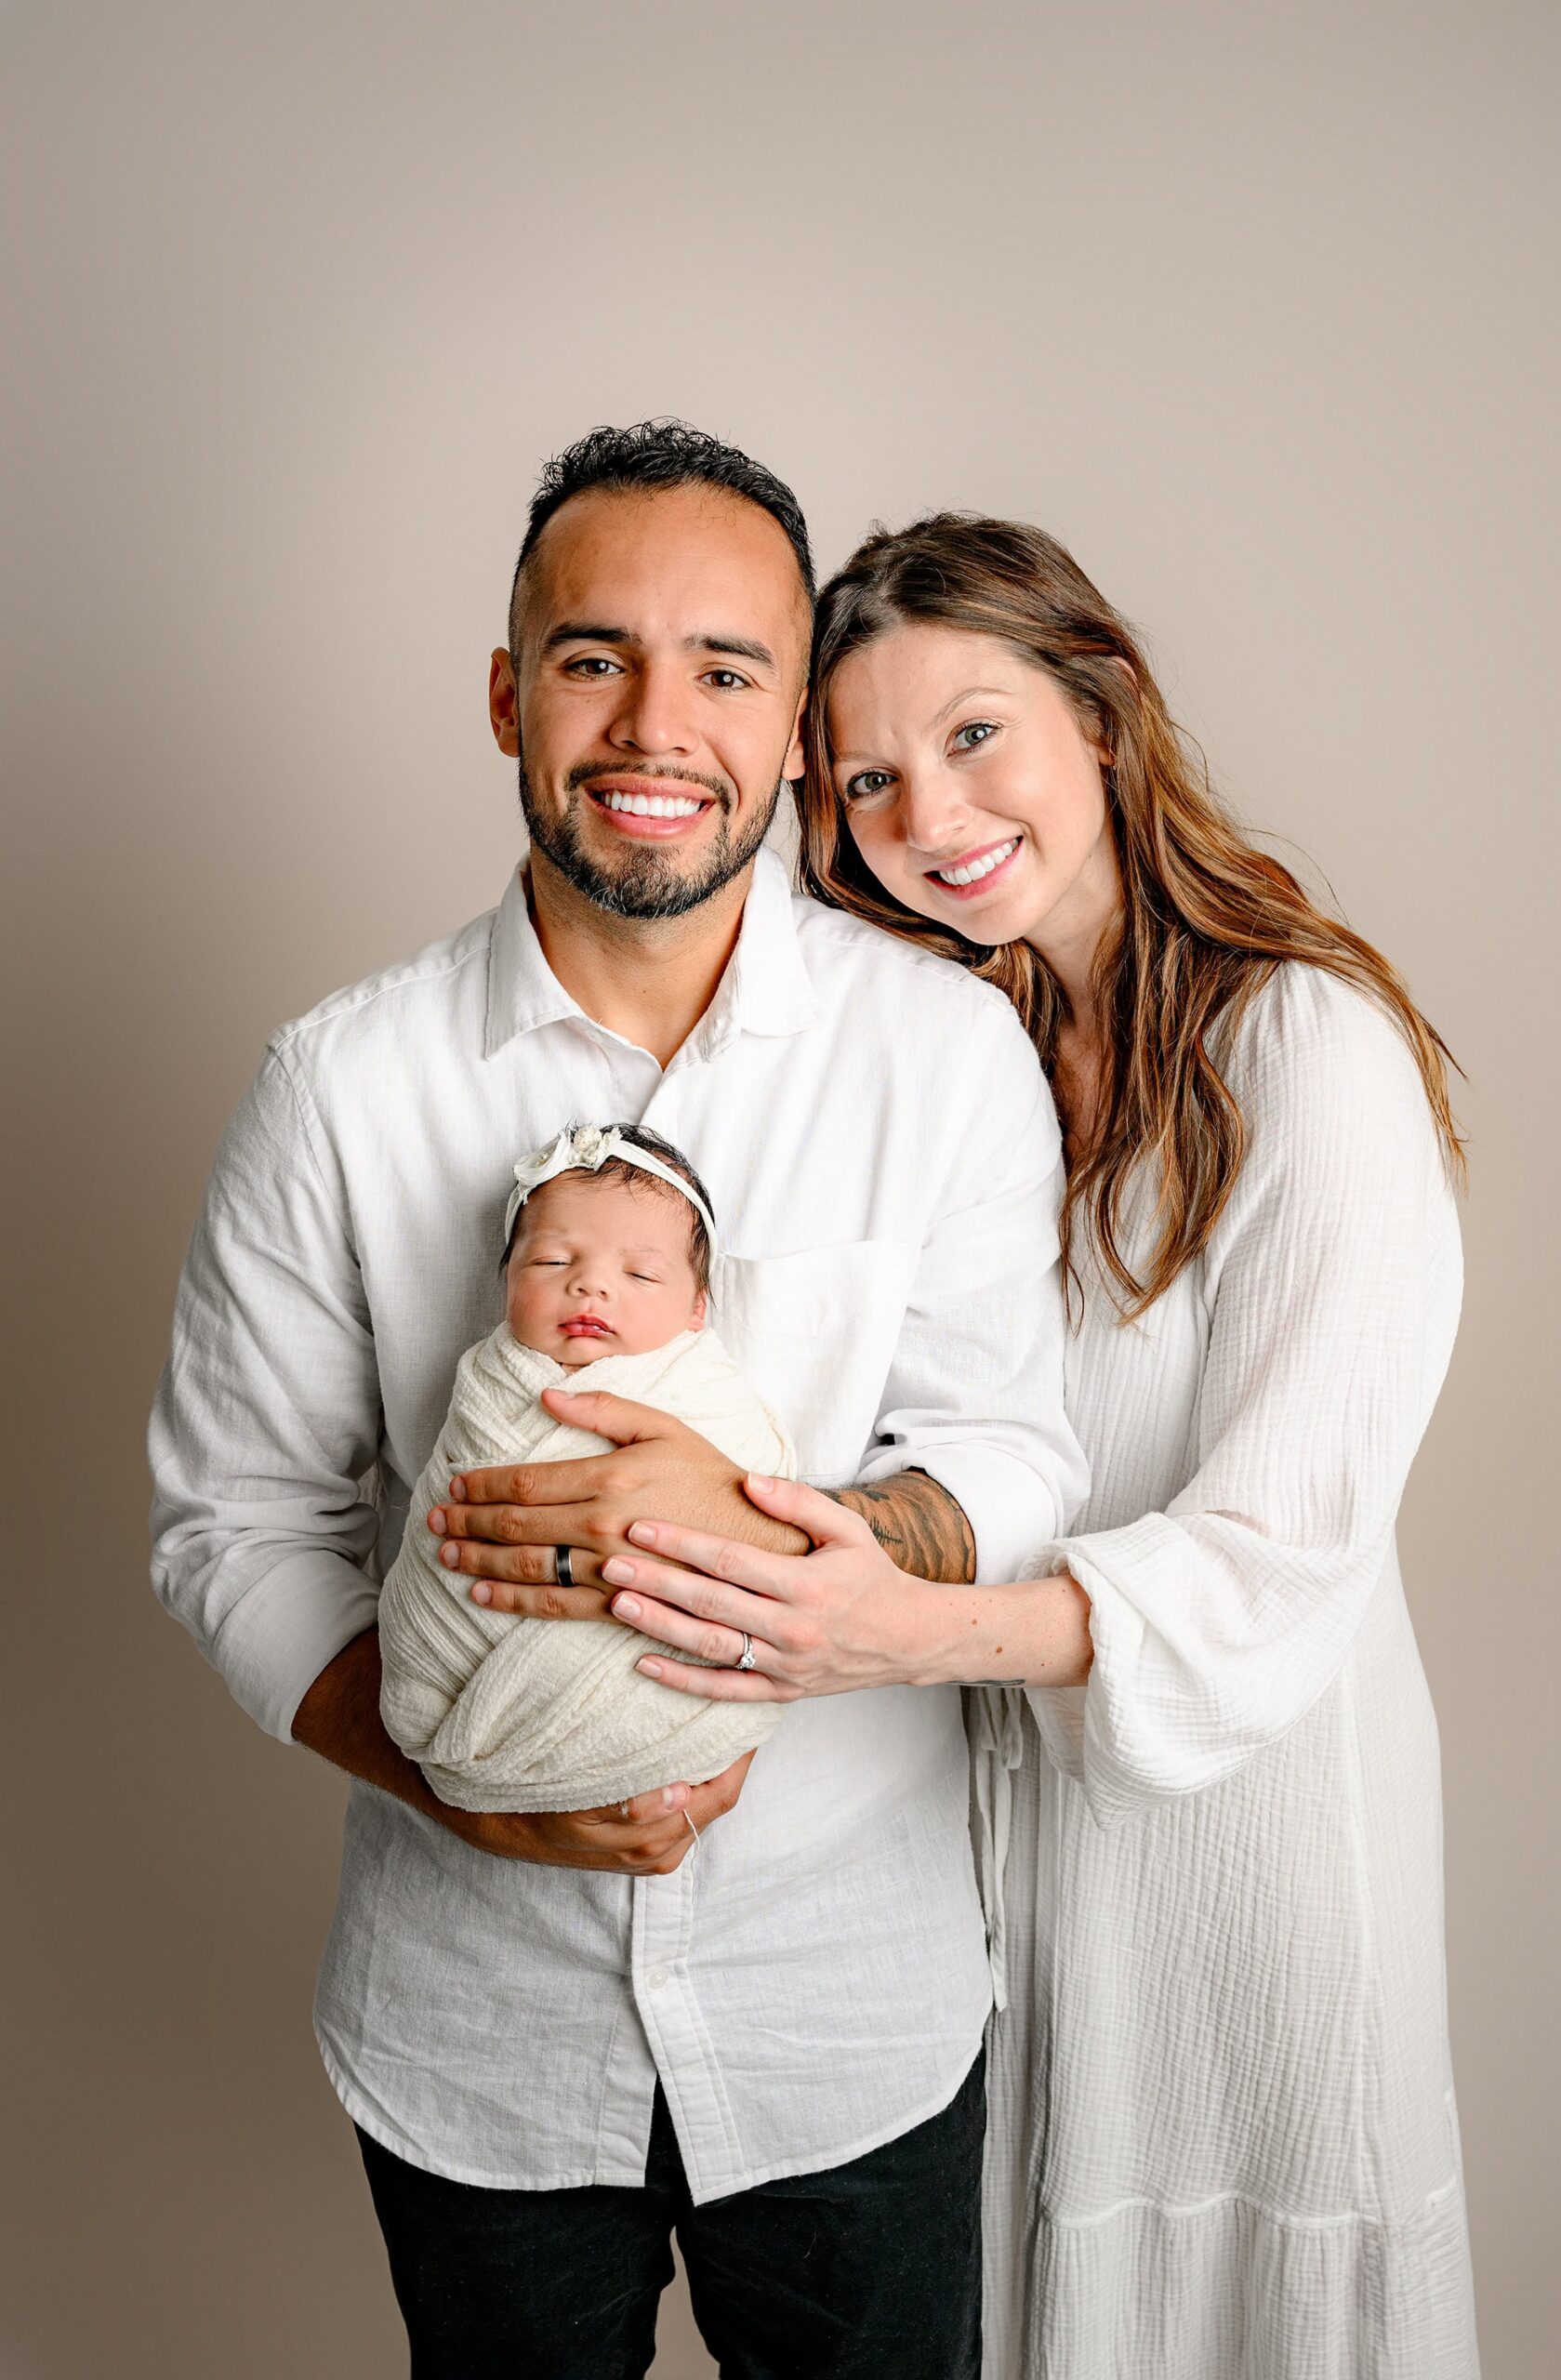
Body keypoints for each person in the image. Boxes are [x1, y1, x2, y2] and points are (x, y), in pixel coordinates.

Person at [149, 430, 1087, 2379]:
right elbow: (233, 1523)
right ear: (509, 694)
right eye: (594, 658)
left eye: (726, 669)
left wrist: (778, 1534)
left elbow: (1005, 1449)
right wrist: (465, 1787)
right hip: (469, 2024)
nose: (657, 725)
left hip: (850, 2010)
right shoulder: (339, 1084)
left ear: (794, 729)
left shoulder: (939, 1052)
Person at [579, 514, 1481, 2376]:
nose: (931, 815)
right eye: (868, 779)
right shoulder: (959, 1068)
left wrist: (901, 1632)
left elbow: (1279, 1549)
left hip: (1250, 1858)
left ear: (1102, 709)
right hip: (1013, 1856)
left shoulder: (1306, 1052)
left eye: (975, 733)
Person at [377, 1119, 799, 1817]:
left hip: (670, 1699)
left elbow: (766, 1513)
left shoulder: (710, 1394)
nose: (590, 1286)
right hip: (453, 1689)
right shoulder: (486, 1383)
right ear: (506, 1281)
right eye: (550, 1262)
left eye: (640, 1274)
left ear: (698, 1308)